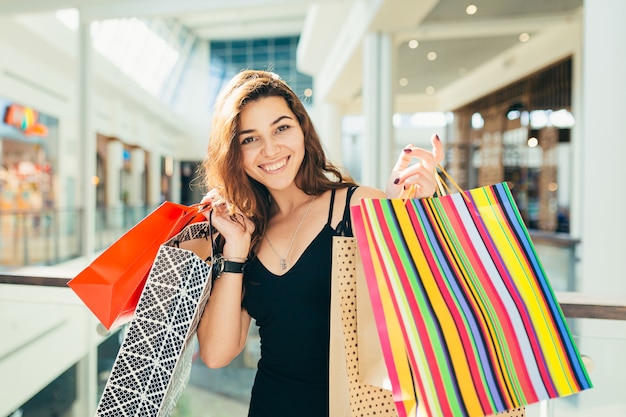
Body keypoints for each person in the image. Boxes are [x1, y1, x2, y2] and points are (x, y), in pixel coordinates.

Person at [196, 69, 444, 417]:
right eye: (249, 139)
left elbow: (420, 306)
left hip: (355, 409)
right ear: (234, 152)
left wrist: (412, 218)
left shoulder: (356, 206)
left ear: (302, 130)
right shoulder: (244, 232)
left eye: (281, 128)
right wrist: (234, 251)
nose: (270, 149)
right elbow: (217, 354)